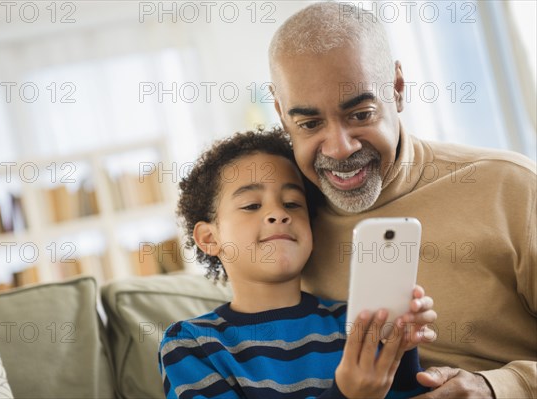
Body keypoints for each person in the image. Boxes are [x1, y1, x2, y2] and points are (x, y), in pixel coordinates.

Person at [268, 2, 536, 398]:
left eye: (360, 114)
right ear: (280, 113)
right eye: (309, 124)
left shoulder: (509, 188)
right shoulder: (284, 224)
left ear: (397, 89)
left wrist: (496, 387)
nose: (339, 149)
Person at [159, 129, 437, 399]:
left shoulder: (356, 324)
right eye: (251, 205)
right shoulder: (191, 344)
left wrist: (402, 350)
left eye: (292, 203)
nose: (278, 213)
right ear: (209, 237)